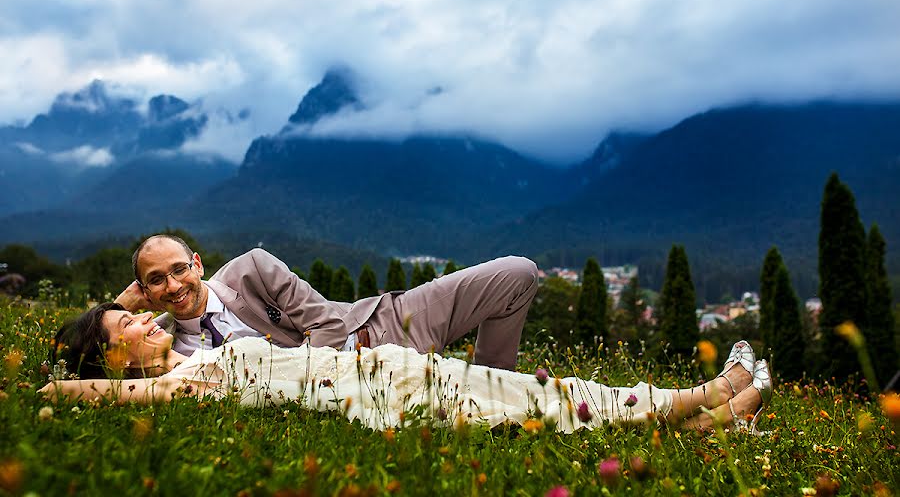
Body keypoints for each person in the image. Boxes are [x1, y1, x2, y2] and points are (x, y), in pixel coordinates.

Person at [43, 304, 773, 433]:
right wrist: (83, 372)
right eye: (125, 327)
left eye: (135, 310)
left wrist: (120, 310)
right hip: (385, 396)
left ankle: (705, 416)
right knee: (548, 406)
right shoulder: (170, 384)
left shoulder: (194, 353)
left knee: (548, 395)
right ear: (110, 362)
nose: (142, 318)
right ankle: (700, 398)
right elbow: (66, 389)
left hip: (385, 373)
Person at [114, 235, 538, 370]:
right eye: (156, 281)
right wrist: (119, 306)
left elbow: (331, 329)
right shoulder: (163, 348)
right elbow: (92, 346)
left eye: (179, 269)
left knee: (518, 273)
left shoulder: (252, 270)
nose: (173, 286)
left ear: (198, 264)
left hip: (385, 326)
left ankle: (495, 381)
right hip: (371, 386)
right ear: (144, 291)